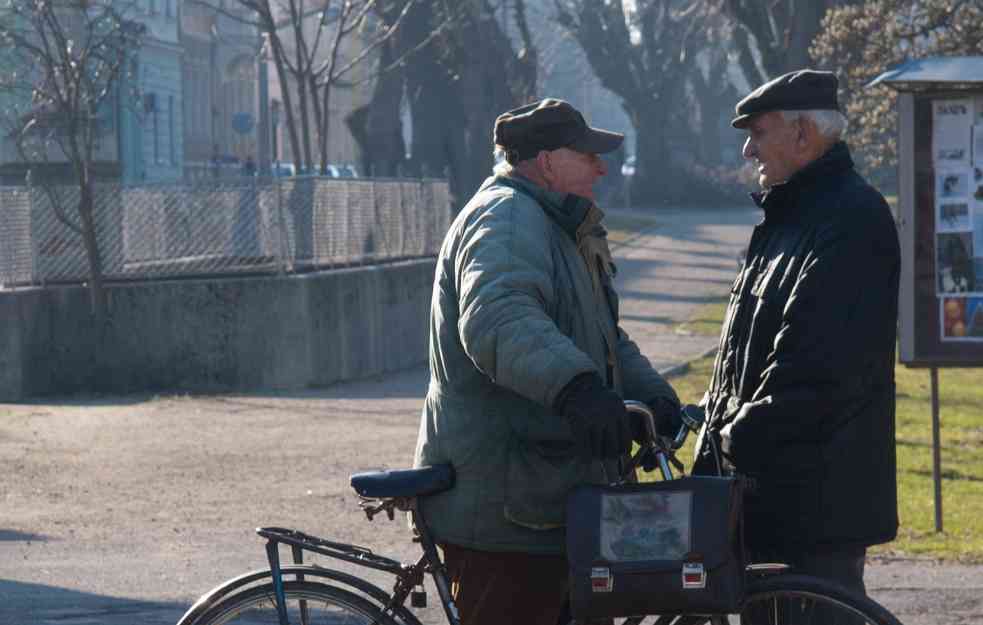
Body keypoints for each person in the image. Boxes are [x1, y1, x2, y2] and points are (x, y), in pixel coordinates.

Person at [414, 98, 682, 625]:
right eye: (587, 155)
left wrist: (655, 397)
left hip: (550, 496)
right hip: (508, 508)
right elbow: (498, 320)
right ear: (547, 161)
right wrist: (579, 390)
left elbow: (603, 337)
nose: (601, 168)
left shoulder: (556, 224)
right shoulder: (508, 218)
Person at [696, 70, 900, 605]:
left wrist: (733, 436)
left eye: (758, 133)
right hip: (773, 498)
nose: (747, 149)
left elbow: (818, 368)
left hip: (816, 509)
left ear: (803, 134)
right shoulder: (788, 216)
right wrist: (709, 422)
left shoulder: (851, 219)